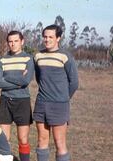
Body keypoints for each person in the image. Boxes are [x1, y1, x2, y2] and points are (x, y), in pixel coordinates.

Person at [33, 25, 79, 161]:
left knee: (60, 142)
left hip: (59, 105)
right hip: (41, 103)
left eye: (51, 37)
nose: (47, 40)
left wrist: (63, 98)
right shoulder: (38, 56)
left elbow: (74, 82)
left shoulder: (65, 56)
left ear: (58, 38)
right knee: (42, 140)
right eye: (45, 37)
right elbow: (39, 77)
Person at [0, 31, 34, 161]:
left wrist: (7, 77)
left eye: (16, 41)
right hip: (5, 100)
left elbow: (25, 81)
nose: (13, 44)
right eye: (10, 41)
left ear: (22, 41)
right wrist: (17, 82)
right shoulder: (2, 60)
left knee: (23, 139)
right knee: (4, 140)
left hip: (22, 101)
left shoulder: (28, 59)